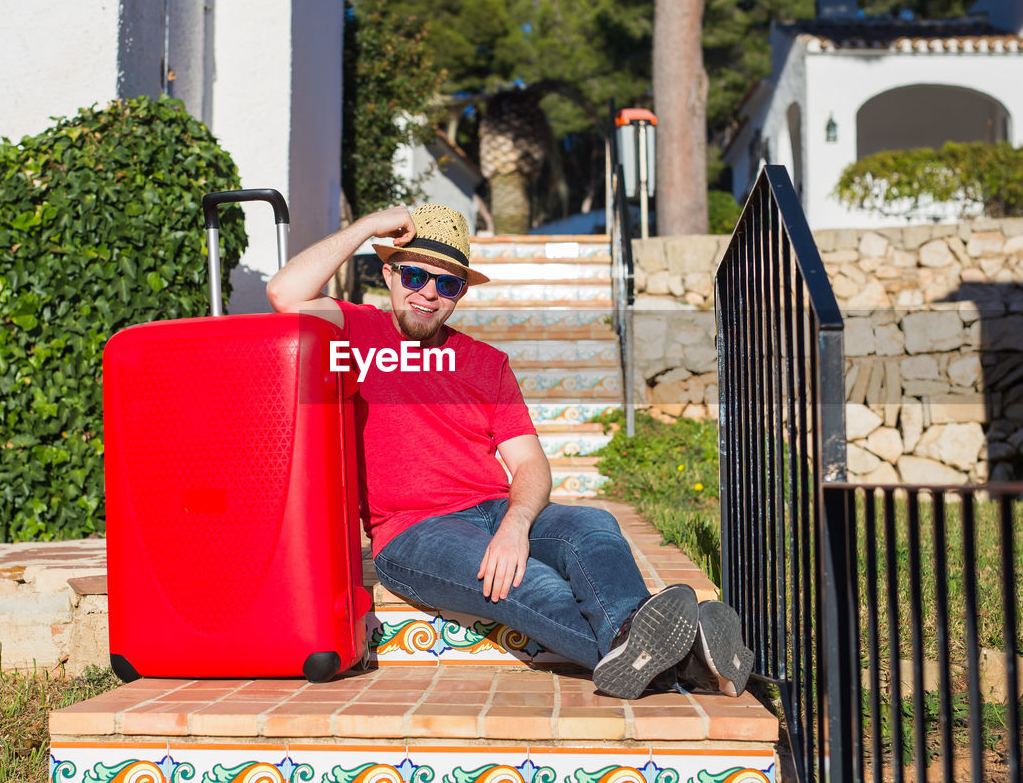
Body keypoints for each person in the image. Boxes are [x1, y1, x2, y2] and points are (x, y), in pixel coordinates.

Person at [266, 202, 753, 699]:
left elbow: (529, 463)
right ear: (388, 272)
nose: (429, 294)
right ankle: (687, 655)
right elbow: (284, 292)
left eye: (448, 284)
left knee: (593, 526)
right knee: (532, 584)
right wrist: (369, 225)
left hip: (496, 510)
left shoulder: (486, 363)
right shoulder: (354, 334)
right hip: (413, 532)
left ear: (460, 294)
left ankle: (651, 650)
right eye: (415, 274)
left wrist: (515, 524)